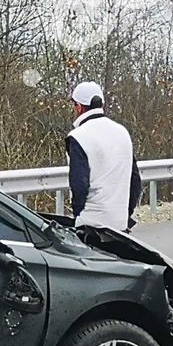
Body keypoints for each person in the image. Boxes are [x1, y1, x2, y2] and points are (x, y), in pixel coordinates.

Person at [66, 81, 142, 235]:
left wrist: (78, 215)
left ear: (79, 107)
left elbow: (79, 185)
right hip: (120, 225)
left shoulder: (77, 137)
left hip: (91, 224)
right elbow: (135, 180)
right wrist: (125, 214)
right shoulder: (122, 132)